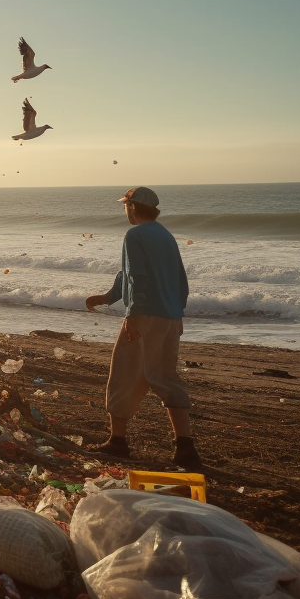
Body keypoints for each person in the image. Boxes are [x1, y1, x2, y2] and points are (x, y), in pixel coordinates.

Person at [84, 186, 199, 468]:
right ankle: (184, 447)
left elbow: (137, 276)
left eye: (126, 205)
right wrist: (110, 297)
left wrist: (133, 313)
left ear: (133, 207)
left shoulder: (134, 234)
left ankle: (118, 442)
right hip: (170, 316)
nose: (125, 210)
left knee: (124, 373)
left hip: (145, 315)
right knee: (165, 377)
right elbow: (176, 280)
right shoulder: (165, 235)